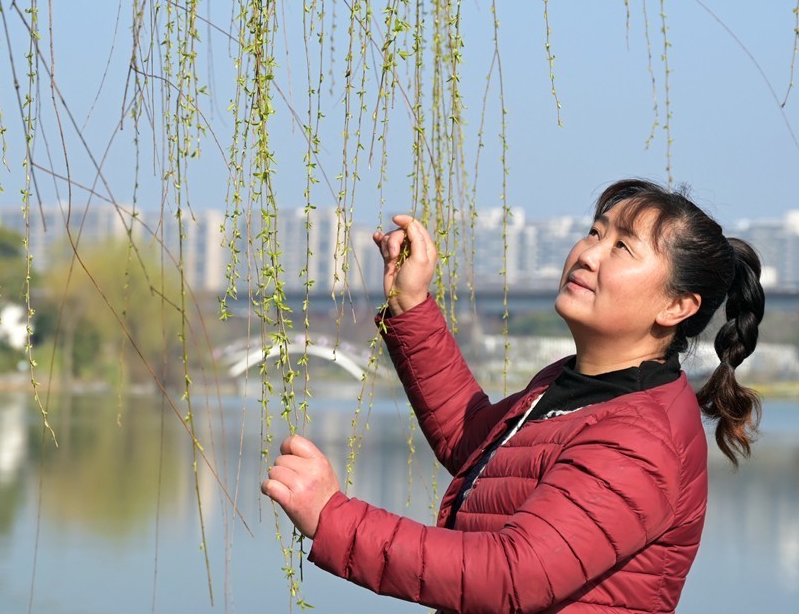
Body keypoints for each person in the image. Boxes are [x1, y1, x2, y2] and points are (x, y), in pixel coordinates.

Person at [262, 178, 765, 614]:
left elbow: (514, 573)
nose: (588, 254)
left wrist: (334, 518)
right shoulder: (573, 385)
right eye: (595, 231)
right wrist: (411, 305)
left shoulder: (639, 439)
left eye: (622, 247)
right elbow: (473, 442)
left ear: (677, 305)